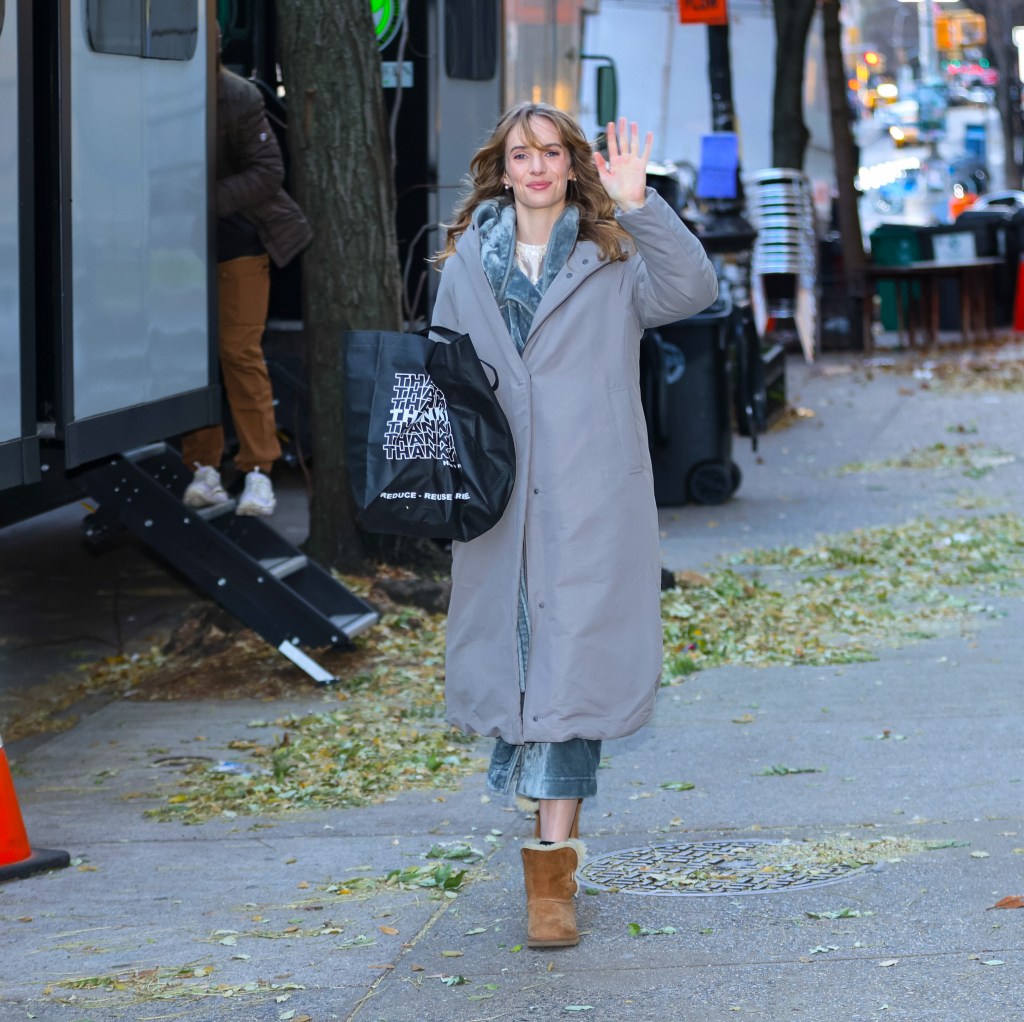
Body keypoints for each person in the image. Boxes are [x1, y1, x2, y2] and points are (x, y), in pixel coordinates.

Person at [432, 105, 718, 948]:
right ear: (501, 166)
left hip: (593, 499)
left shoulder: (614, 254)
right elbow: (444, 373)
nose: (536, 167)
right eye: (521, 154)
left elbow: (694, 290)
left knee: (569, 681)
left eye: (551, 152)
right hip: (498, 502)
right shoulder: (465, 265)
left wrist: (641, 205)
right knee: (520, 670)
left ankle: (549, 877)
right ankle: (548, 840)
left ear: (571, 165)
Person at [182, 39, 312, 516]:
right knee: (192, 355)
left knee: (238, 352)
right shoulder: (163, 97)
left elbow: (268, 171)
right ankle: (204, 469)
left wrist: (202, 198)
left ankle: (259, 472)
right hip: (184, 249)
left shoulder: (237, 95)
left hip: (240, 245)